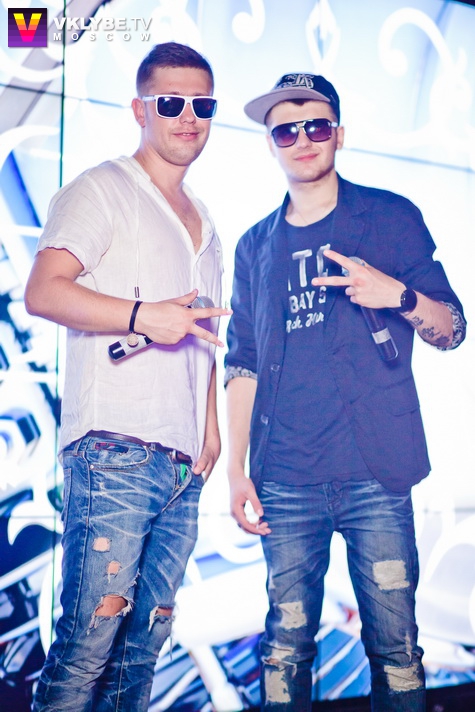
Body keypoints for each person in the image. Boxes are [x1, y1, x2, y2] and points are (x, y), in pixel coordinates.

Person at [225, 73, 466, 712]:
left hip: (375, 475)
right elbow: (242, 362)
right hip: (283, 480)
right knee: (283, 652)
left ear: (339, 134)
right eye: (286, 130)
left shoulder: (389, 217)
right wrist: (236, 470)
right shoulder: (254, 246)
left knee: (397, 653)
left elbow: (452, 329)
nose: (302, 138)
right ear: (271, 144)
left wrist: (398, 295)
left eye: (316, 125)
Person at [25, 42, 231, 712]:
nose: (188, 117)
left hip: (182, 465)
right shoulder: (101, 188)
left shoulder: (207, 225)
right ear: (140, 110)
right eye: (171, 103)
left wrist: (209, 430)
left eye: (202, 105)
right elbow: (43, 291)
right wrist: (144, 315)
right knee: (87, 647)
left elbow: (203, 335)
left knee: (141, 656)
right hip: (115, 448)